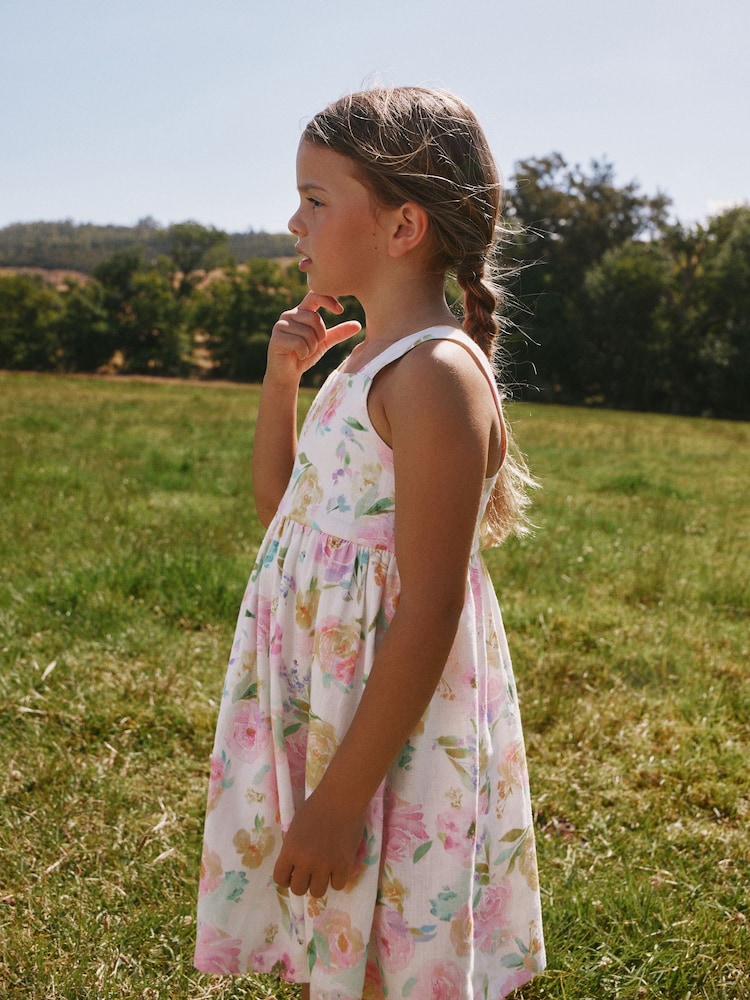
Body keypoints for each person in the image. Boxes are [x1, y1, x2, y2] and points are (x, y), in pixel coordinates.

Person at [194, 86, 545, 1000]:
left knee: (392, 929)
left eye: (315, 199)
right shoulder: (364, 359)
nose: (291, 220)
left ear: (402, 227)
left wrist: (343, 798)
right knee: (347, 940)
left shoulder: (432, 375)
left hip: (386, 727)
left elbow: (429, 603)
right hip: (335, 699)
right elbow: (286, 516)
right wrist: (280, 381)